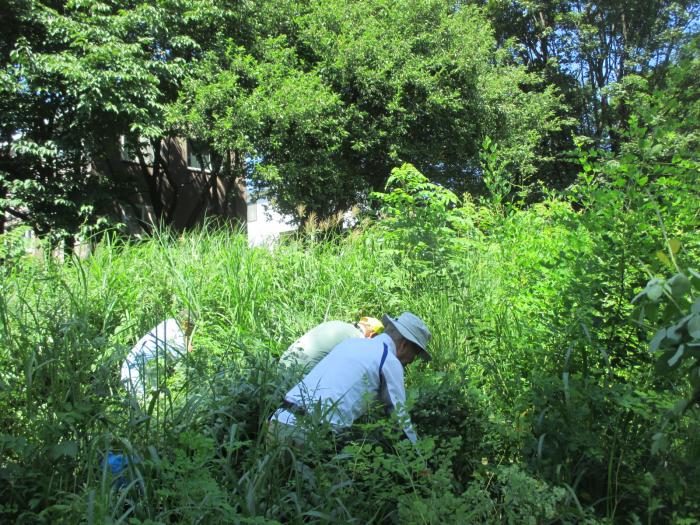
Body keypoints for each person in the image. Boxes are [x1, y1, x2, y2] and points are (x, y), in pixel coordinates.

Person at [269, 312, 431, 444]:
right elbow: (399, 417)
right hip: (309, 435)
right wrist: (418, 459)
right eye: (415, 354)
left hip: (277, 420)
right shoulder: (388, 359)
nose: (411, 361)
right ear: (404, 344)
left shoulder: (351, 344)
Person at [120, 310, 195, 398]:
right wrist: (188, 350)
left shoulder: (170, 322)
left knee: (151, 400)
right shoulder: (172, 333)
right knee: (143, 401)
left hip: (141, 366)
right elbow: (179, 356)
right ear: (186, 323)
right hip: (134, 370)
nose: (192, 330)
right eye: (192, 327)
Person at [278, 317, 384, 378]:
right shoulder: (357, 340)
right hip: (298, 380)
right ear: (372, 335)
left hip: (281, 367)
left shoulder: (336, 323)